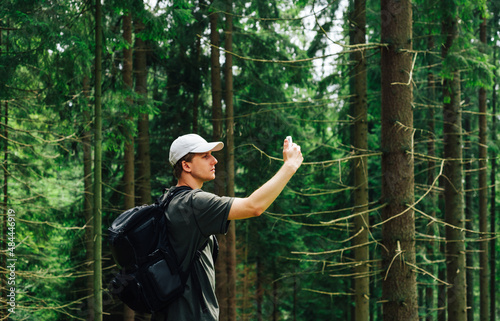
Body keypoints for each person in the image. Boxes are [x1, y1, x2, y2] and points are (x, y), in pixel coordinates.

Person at [152, 133, 303, 321]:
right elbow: (254, 206)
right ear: (186, 165)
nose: (214, 160)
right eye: (205, 156)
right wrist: (289, 167)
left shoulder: (169, 199)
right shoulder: (193, 203)